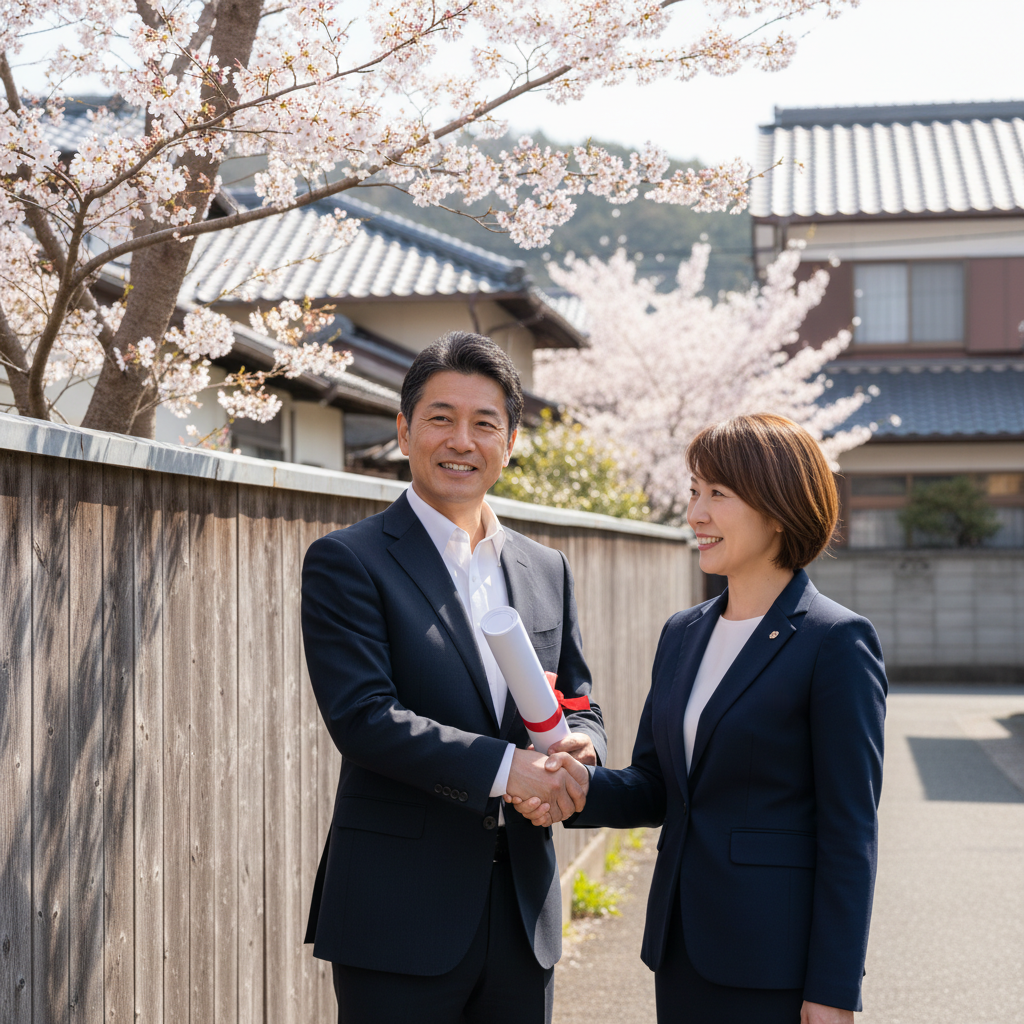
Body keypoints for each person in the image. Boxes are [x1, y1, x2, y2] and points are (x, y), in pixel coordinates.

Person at [514, 413, 887, 1024]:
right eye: (693, 491)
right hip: (683, 946)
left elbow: (851, 832)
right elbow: (658, 786)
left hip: (777, 963)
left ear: (777, 508)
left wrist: (834, 990)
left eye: (718, 494)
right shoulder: (683, 632)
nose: (696, 513)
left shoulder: (836, 641)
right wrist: (577, 787)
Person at [301, 331, 607, 1024]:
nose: (461, 440)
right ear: (405, 432)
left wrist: (585, 750)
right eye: (441, 418)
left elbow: (580, 701)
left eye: (484, 423)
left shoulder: (544, 568)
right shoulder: (349, 561)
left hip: (524, 912)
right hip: (397, 914)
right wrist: (508, 770)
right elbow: (364, 719)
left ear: (512, 440)